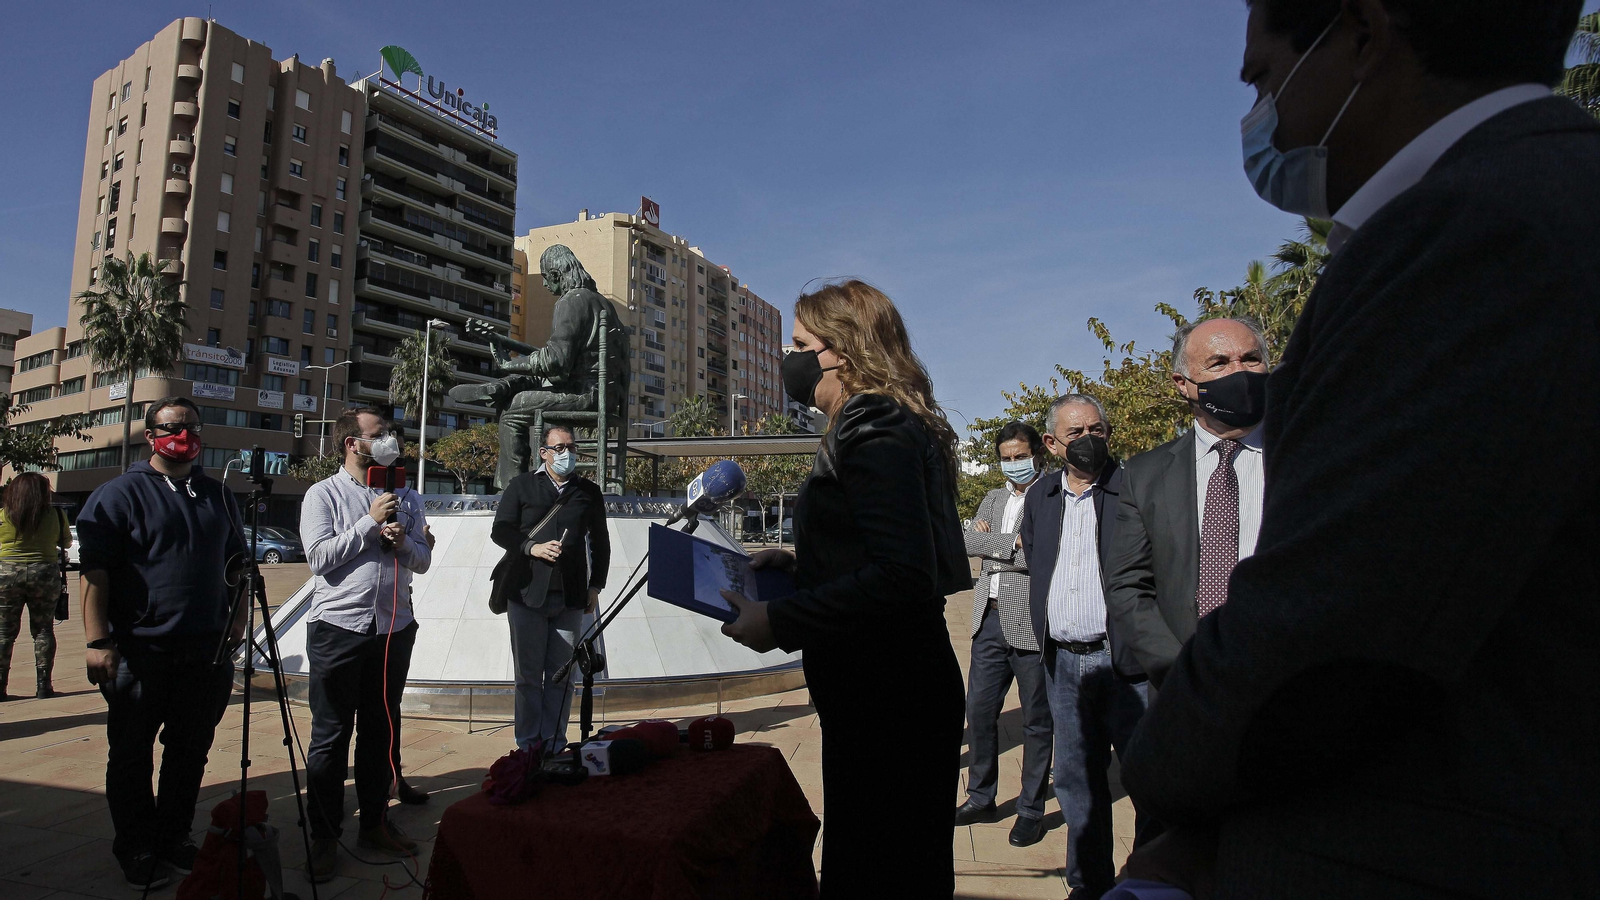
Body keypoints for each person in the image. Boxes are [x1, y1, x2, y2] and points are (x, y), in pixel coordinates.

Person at [1120, 2, 1600, 897]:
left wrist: (1163, 769)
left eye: (1264, 77)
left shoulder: (1470, 229)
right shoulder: (1527, 194)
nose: (1260, 115)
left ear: (1365, 37)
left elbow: (1332, 628)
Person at [720, 280, 968, 898]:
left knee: (878, 871)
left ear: (843, 352)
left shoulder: (873, 422)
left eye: (801, 342)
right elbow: (883, 549)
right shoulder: (882, 420)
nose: (790, 357)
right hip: (887, 688)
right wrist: (802, 561)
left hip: (889, 695)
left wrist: (780, 621)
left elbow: (903, 575)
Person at [77, 397, 247, 891]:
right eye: (171, 427)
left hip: (206, 651)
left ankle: (174, 835)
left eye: (191, 426)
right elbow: (95, 574)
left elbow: (237, 564)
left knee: (189, 752)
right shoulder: (119, 494)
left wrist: (237, 621)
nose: (183, 435)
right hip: (139, 651)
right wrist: (97, 641)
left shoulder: (218, 495)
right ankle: (137, 845)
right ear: (150, 435)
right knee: (131, 755)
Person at [1019, 394, 1147, 900]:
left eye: (1098, 429)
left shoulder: (1134, 486)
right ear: (1052, 443)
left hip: (1125, 665)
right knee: (1076, 779)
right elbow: (1035, 557)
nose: (1090, 440)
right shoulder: (1041, 495)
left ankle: (1147, 879)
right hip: (1064, 663)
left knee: (1145, 777)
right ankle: (1088, 883)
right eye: (1077, 433)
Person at [300, 408, 432, 880]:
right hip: (339, 629)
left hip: (393, 628)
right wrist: (367, 525)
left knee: (380, 729)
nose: (390, 441)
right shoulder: (323, 494)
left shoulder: (406, 495)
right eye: (380, 435)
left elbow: (423, 559)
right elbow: (318, 559)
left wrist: (401, 544)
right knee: (331, 735)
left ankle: (374, 823)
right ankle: (324, 835)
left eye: (391, 434)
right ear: (352, 444)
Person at [1104, 318, 1269, 691]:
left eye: (1251, 359)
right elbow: (1128, 585)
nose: (1239, 373)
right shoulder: (1145, 474)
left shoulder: (1311, 452)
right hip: (1188, 689)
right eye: (1220, 363)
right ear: (1183, 384)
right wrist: (1179, 672)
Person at [449, 244, 629, 489]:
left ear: (555, 275)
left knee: (511, 410)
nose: (545, 286)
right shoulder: (602, 304)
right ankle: (503, 385)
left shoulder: (571, 302)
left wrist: (508, 363)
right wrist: (510, 353)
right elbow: (564, 360)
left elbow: (556, 362)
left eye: (545, 278)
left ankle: (512, 490)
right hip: (606, 394)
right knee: (533, 383)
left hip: (585, 395)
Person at [953, 421, 1054, 848]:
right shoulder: (993, 497)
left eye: (1019, 456)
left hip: (1031, 622)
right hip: (987, 621)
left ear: (1038, 454)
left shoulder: (1052, 496)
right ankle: (981, 796)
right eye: (1006, 457)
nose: (1012, 464)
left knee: (1035, 721)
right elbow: (965, 542)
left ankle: (1031, 809)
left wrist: (995, 543)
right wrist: (1007, 544)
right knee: (979, 712)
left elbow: (1040, 554)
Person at [490, 424, 609, 752]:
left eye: (571, 447)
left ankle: (554, 744)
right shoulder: (522, 486)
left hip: (570, 598)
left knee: (561, 678)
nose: (567, 454)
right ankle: (529, 746)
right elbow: (500, 531)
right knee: (528, 678)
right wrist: (531, 548)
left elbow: (600, 542)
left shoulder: (588, 492)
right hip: (527, 594)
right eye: (559, 448)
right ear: (543, 453)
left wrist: (595, 586)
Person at [0, 472, 72, 700]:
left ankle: (0, 687)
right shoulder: (57, 515)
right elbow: (67, 542)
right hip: (45, 573)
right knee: (43, 630)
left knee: (4, 633)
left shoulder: (3, 515)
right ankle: (44, 686)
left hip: (7, 574)